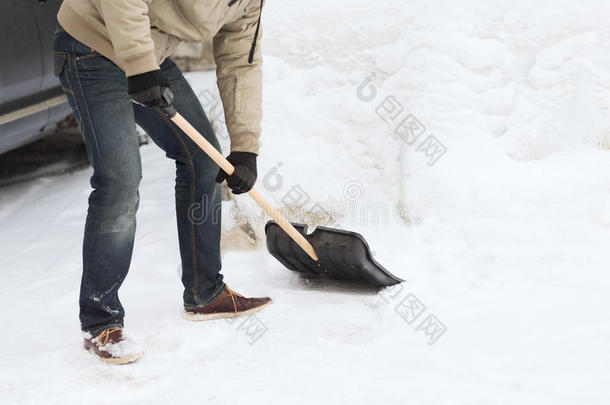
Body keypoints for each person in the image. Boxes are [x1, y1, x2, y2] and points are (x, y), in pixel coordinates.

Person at [53, 0, 270, 364]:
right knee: (120, 180)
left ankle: (205, 292)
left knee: (203, 160)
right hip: (91, 43)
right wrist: (140, 66)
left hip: (146, 52)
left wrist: (245, 148)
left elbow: (240, 63)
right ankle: (100, 321)